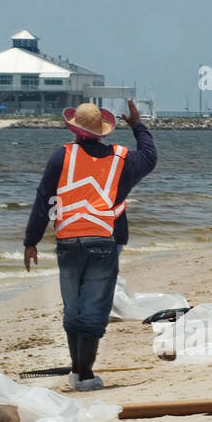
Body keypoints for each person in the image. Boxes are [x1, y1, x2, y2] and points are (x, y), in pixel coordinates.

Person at [23, 99, 156, 391]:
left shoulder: (62, 157)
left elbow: (43, 198)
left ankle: (77, 370)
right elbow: (149, 157)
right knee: (95, 309)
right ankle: (85, 374)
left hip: (68, 242)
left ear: (73, 130)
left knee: (73, 308)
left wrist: (31, 241)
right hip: (103, 242)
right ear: (104, 132)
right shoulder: (121, 159)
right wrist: (137, 126)